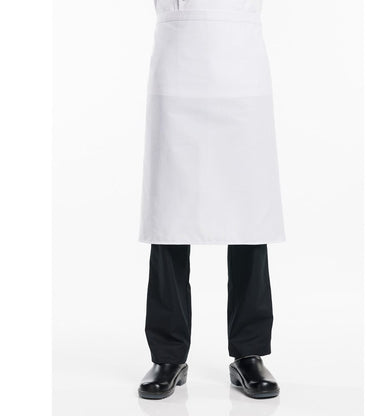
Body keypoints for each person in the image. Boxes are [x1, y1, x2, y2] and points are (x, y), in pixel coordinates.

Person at [138, 0, 285, 400]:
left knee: (248, 219)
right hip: (177, 67)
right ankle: (168, 356)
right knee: (169, 218)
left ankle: (249, 353)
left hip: (241, 74)